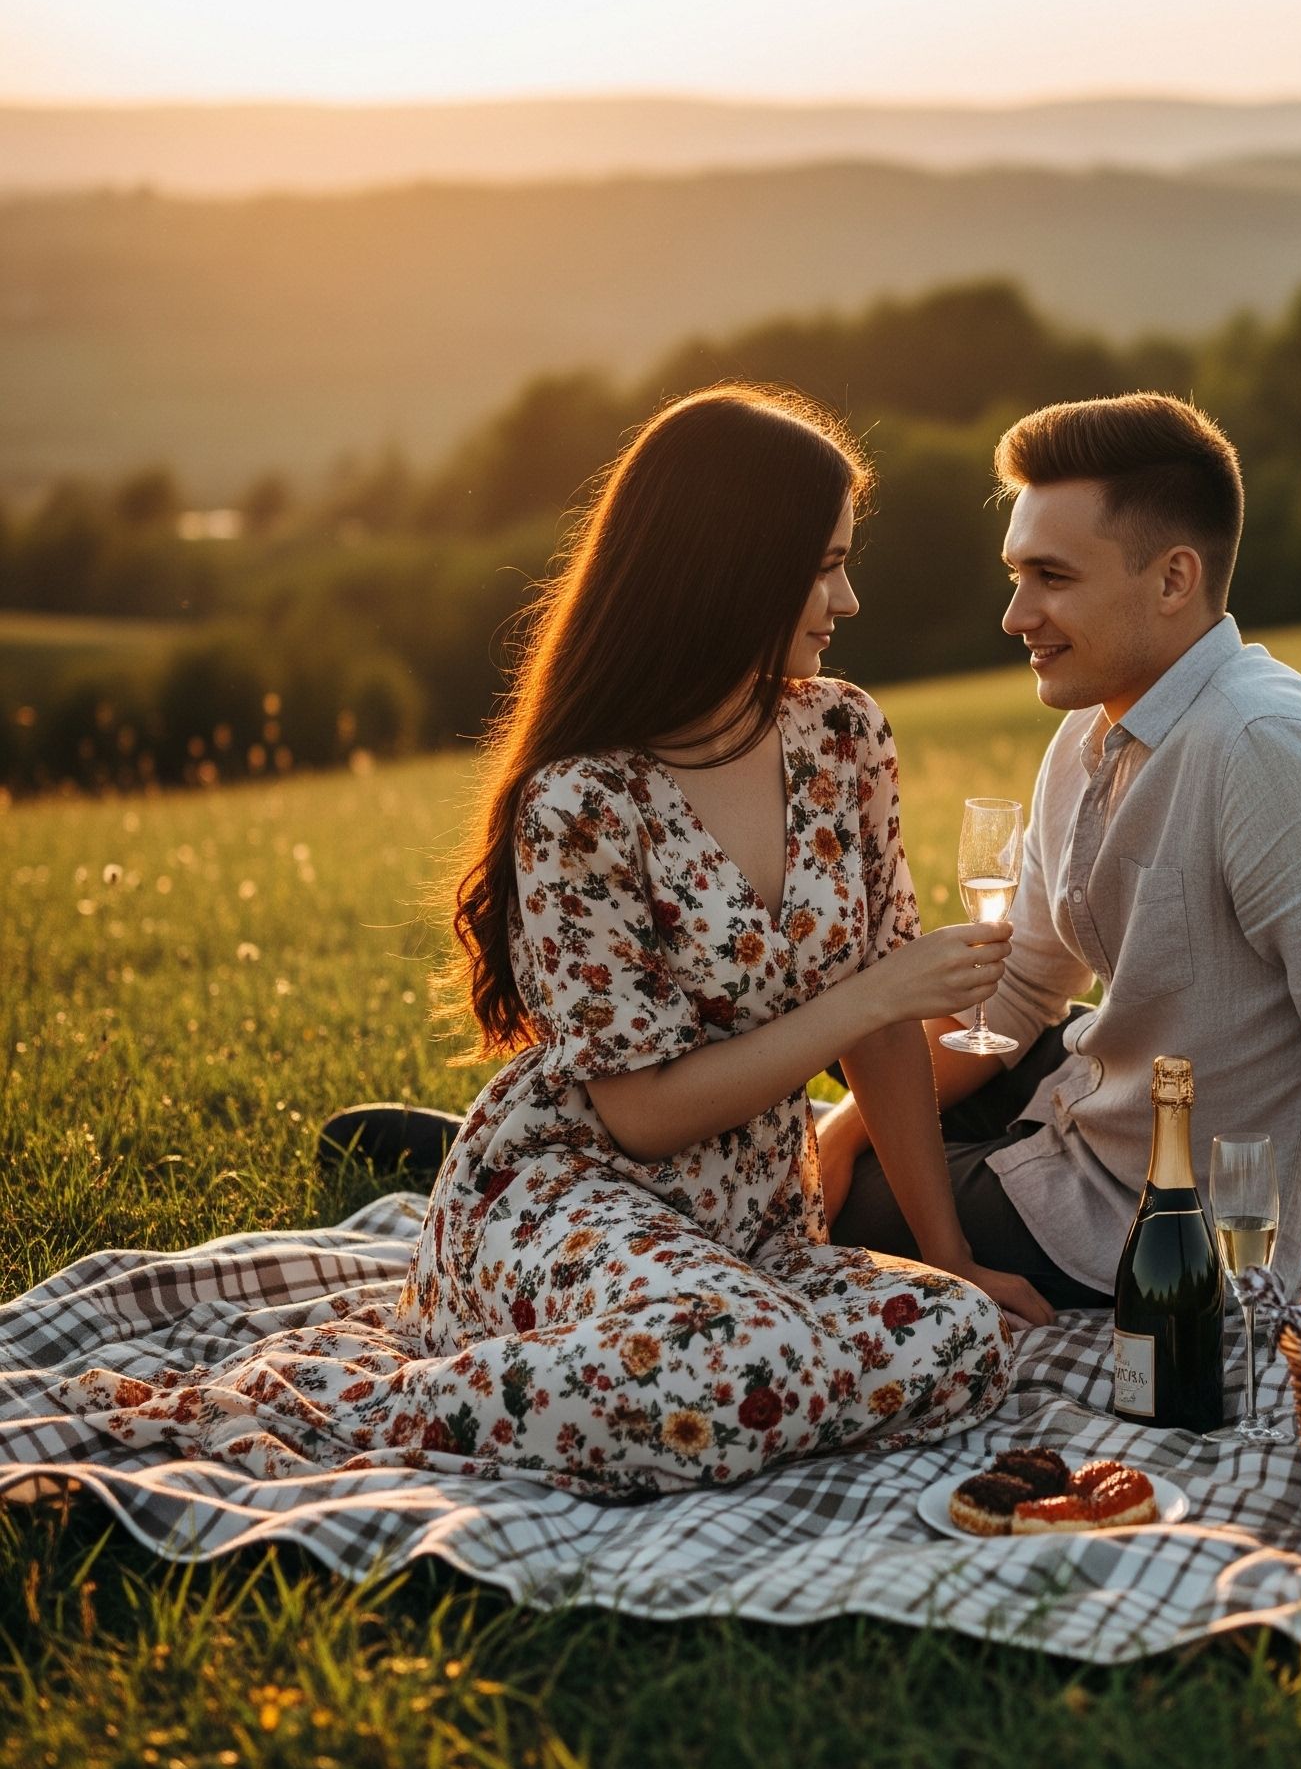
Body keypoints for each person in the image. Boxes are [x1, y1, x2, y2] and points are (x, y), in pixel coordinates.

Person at [68, 387, 1041, 1497]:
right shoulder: (580, 800)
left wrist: (948, 1255)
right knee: (727, 1360)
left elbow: (882, 1044)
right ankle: (341, 1400)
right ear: (728, 566)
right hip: (568, 1186)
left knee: (957, 1337)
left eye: (843, 561)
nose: (846, 597)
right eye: (819, 566)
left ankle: (695, 1378)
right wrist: (867, 999)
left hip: (752, 1221)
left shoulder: (843, 735)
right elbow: (642, 1110)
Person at [822, 393, 1301, 1301]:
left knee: (823, 1209)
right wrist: (842, 1128)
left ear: (1175, 580)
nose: (1015, 615)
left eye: (1052, 578)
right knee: (831, 1110)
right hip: (1090, 1095)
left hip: (1161, 1224)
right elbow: (1024, 987)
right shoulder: (1089, 733)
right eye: (1015, 575)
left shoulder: (1274, 755)